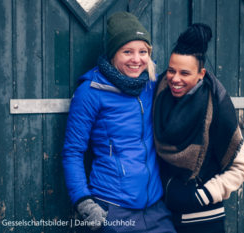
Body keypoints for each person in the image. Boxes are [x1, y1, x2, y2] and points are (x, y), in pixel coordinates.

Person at [62, 12, 176, 233]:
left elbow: (188, 83)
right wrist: (84, 203)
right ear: (114, 54)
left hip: (156, 209)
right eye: (127, 51)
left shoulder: (152, 85)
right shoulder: (90, 92)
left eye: (143, 51)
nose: (136, 59)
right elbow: (73, 152)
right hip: (113, 209)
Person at [152, 23, 244, 233]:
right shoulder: (157, 97)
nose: (175, 79)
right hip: (162, 219)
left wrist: (202, 195)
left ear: (201, 74)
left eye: (185, 73)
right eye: (171, 70)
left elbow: (242, 167)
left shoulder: (216, 106)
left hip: (204, 221)